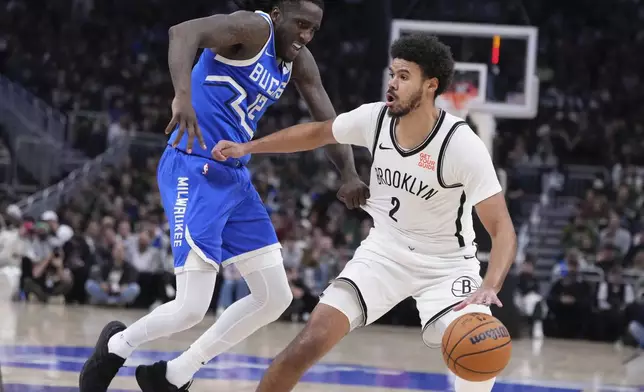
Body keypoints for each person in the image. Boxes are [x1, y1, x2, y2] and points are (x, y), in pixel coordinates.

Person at [78, 0, 369, 391]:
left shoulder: (299, 61)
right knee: (191, 307)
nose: (305, 35)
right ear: (278, 14)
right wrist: (182, 95)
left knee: (275, 297)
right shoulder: (252, 29)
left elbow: (328, 124)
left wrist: (349, 174)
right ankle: (116, 345)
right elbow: (182, 33)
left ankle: (177, 371)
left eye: (313, 29)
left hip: (233, 176)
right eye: (300, 24)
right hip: (191, 166)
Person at [212, 33, 517, 392]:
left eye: (404, 77)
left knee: (478, 348)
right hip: (384, 254)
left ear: (431, 85)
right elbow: (316, 133)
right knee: (306, 344)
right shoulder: (375, 119)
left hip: (446, 267)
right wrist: (248, 147)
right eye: (393, 74)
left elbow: (502, 230)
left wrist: (489, 286)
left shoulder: (462, 145)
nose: (393, 83)